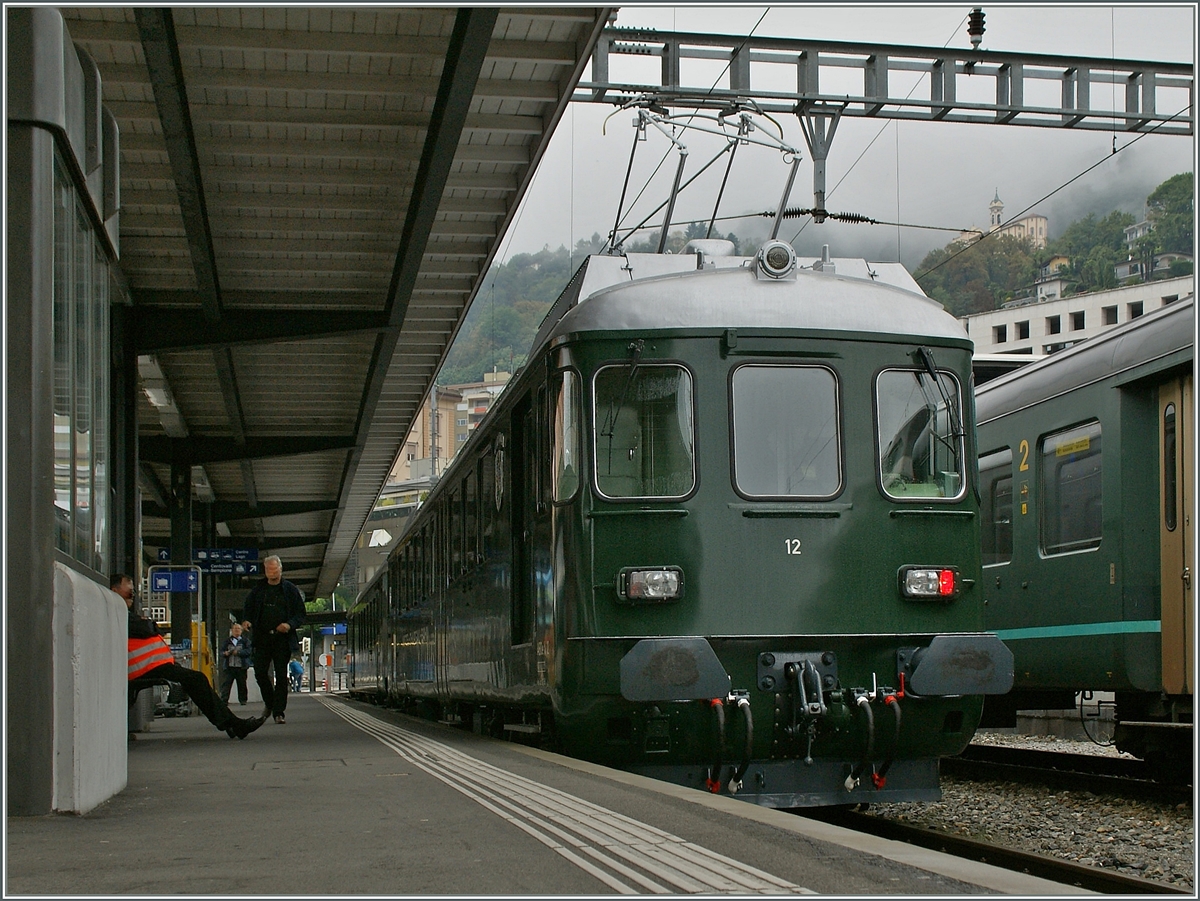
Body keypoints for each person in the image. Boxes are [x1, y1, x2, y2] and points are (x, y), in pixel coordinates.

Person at [113, 573, 264, 740]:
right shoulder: (117, 610)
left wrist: (148, 624)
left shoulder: (121, 611)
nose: (132, 597)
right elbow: (146, 628)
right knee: (196, 679)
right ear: (114, 590)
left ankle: (232, 724)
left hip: (150, 666)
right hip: (143, 667)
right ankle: (233, 725)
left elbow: (146, 627)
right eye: (129, 593)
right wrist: (148, 624)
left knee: (195, 680)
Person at [242, 555, 306, 724]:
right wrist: (247, 621)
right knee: (260, 672)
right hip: (262, 637)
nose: (271, 572)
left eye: (274, 569)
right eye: (268, 569)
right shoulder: (258, 590)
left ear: (280, 569)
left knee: (281, 673)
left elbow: (301, 614)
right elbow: (247, 609)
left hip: (282, 639)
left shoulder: (290, 590)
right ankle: (270, 703)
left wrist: (289, 624)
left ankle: (279, 712)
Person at [219, 623, 252, 705]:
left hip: (241, 666)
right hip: (229, 666)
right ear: (232, 630)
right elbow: (221, 652)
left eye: (238, 629)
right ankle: (224, 700)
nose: (236, 630)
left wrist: (239, 652)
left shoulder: (245, 641)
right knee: (226, 684)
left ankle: (243, 700)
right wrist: (225, 653)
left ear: (241, 631)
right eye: (235, 629)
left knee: (242, 684)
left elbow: (249, 651)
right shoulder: (227, 641)